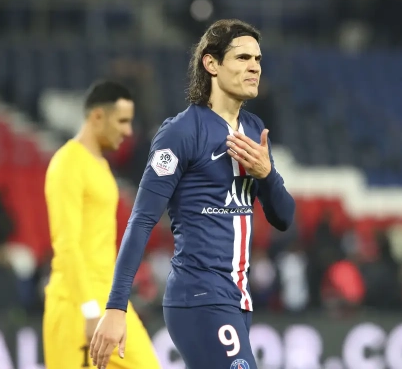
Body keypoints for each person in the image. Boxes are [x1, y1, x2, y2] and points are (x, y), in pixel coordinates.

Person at [91, 19, 295, 369]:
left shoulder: (255, 130)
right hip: (199, 296)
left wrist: (267, 175)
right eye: (243, 58)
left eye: (258, 59)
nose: (254, 67)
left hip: (238, 300)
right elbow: (141, 220)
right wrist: (115, 306)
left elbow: (284, 217)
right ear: (211, 64)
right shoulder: (181, 132)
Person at [43, 80, 160, 369]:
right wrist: (88, 308)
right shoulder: (67, 163)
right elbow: (66, 244)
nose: (128, 131)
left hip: (109, 300)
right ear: (97, 116)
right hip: (75, 304)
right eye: (122, 121)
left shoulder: (102, 166)